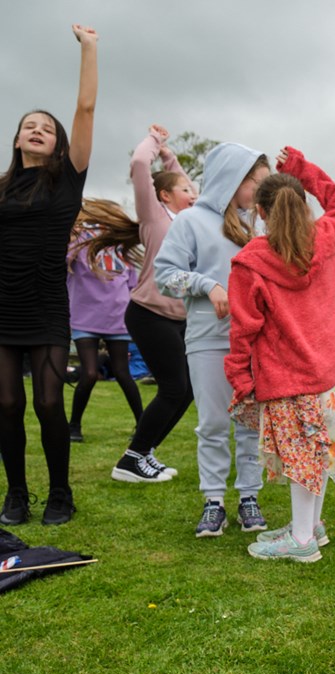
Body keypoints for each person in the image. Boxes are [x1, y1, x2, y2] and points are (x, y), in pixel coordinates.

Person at [225, 147, 335, 563]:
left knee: (302, 459)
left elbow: (243, 330)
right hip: (326, 374)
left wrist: (240, 381)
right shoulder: (328, 238)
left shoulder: (250, 262)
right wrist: (301, 168)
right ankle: (311, 527)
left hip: (285, 379)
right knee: (316, 454)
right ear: (301, 203)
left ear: (261, 212)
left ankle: (301, 542)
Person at [0, 24, 98, 527]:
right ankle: (16, 494)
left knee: (45, 401)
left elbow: (84, 110)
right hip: (3, 305)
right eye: (29, 125)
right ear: (16, 138)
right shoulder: (0, 189)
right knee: (6, 402)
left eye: (47, 128)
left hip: (45, 304)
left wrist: (89, 48)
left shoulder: (67, 181)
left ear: (58, 144)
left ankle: (60, 494)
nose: (38, 130)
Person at [156, 143, 271, 537]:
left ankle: (250, 497)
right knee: (213, 423)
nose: (260, 188)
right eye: (254, 181)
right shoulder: (190, 222)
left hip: (256, 341)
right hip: (208, 338)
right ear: (231, 179)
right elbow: (164, 276)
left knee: (252, 423)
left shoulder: (260, 226)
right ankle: (213, 501)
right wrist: (208, 285)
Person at [111, 125, 196, 482]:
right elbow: (138, 164)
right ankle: (131, 459)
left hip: (180, 318)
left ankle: (143, 453)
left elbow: (180, 181)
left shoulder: (192, 221)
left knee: (187, 390)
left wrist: (172, 159)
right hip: (149, 313)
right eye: (185, 189)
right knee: (174, 387)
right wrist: (156, 143)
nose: (193, 192)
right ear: (163, 195)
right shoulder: (154, 216)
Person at [66, 200, 143, 442]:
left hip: (117, 319)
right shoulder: (77, 243)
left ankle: (143, 425)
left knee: (122, 373)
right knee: (88, 373)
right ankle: (74, 427)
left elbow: (132, 286)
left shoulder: (121, 248)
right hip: (84, 318)